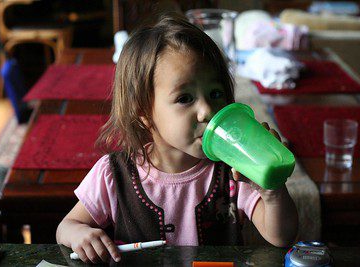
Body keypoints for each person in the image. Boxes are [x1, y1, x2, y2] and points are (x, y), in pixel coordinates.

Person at [56, 13, 298, 264]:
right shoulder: (113, 174)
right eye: (185, 98)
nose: (207, 110)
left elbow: (281, 236)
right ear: (144, 114)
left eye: (215, 93)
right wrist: (80, 234)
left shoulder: (235, 169)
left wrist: (273, 191)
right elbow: (66, 227)